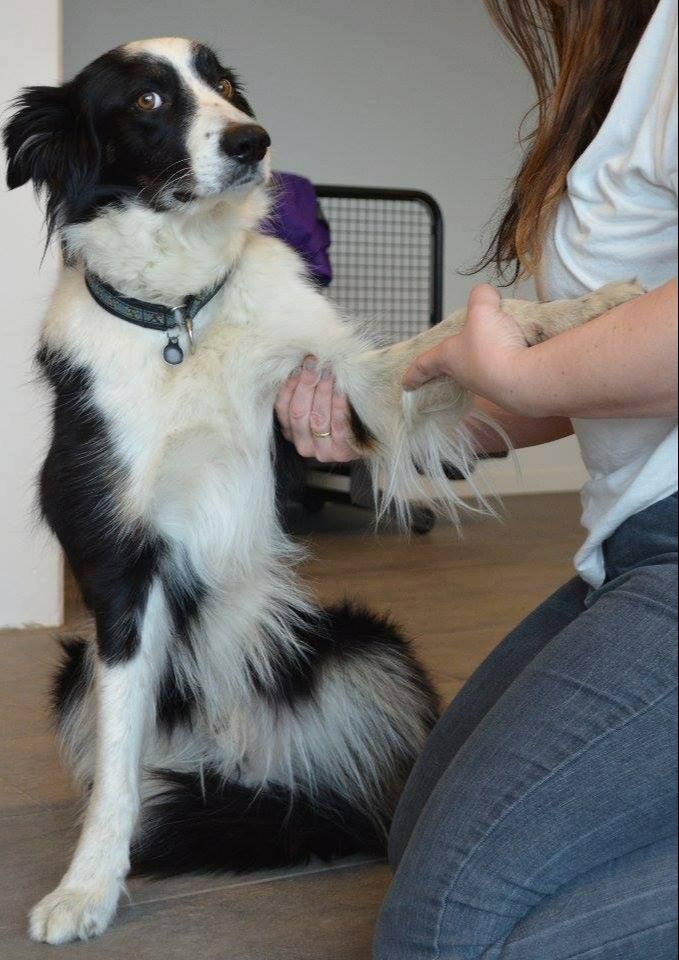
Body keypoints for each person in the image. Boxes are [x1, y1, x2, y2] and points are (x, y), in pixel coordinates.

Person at [275, 0, 678, 956]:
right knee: (417, 835)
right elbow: (608, 377)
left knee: (445, 932)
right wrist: (388, 422)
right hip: (632, 545)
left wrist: (516, 371)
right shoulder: (634, 58)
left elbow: (550, 375)